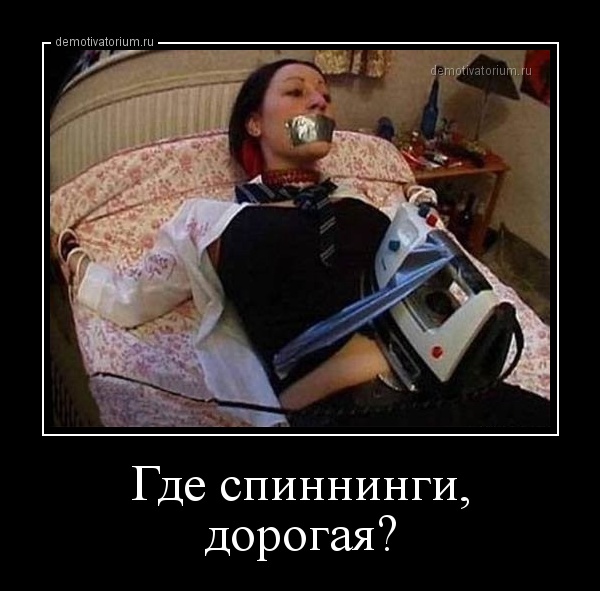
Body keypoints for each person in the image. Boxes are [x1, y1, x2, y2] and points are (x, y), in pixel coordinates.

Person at [58, 58, 551, 428]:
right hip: (343, 410)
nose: (318, 102)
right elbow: (132, 299)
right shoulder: (209, 220)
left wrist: (417, 200)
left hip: (449, 386)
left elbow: (418, 265)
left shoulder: (359, 199)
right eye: (296, 92)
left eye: (324, 97)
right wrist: (74, 257)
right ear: (255, 123)